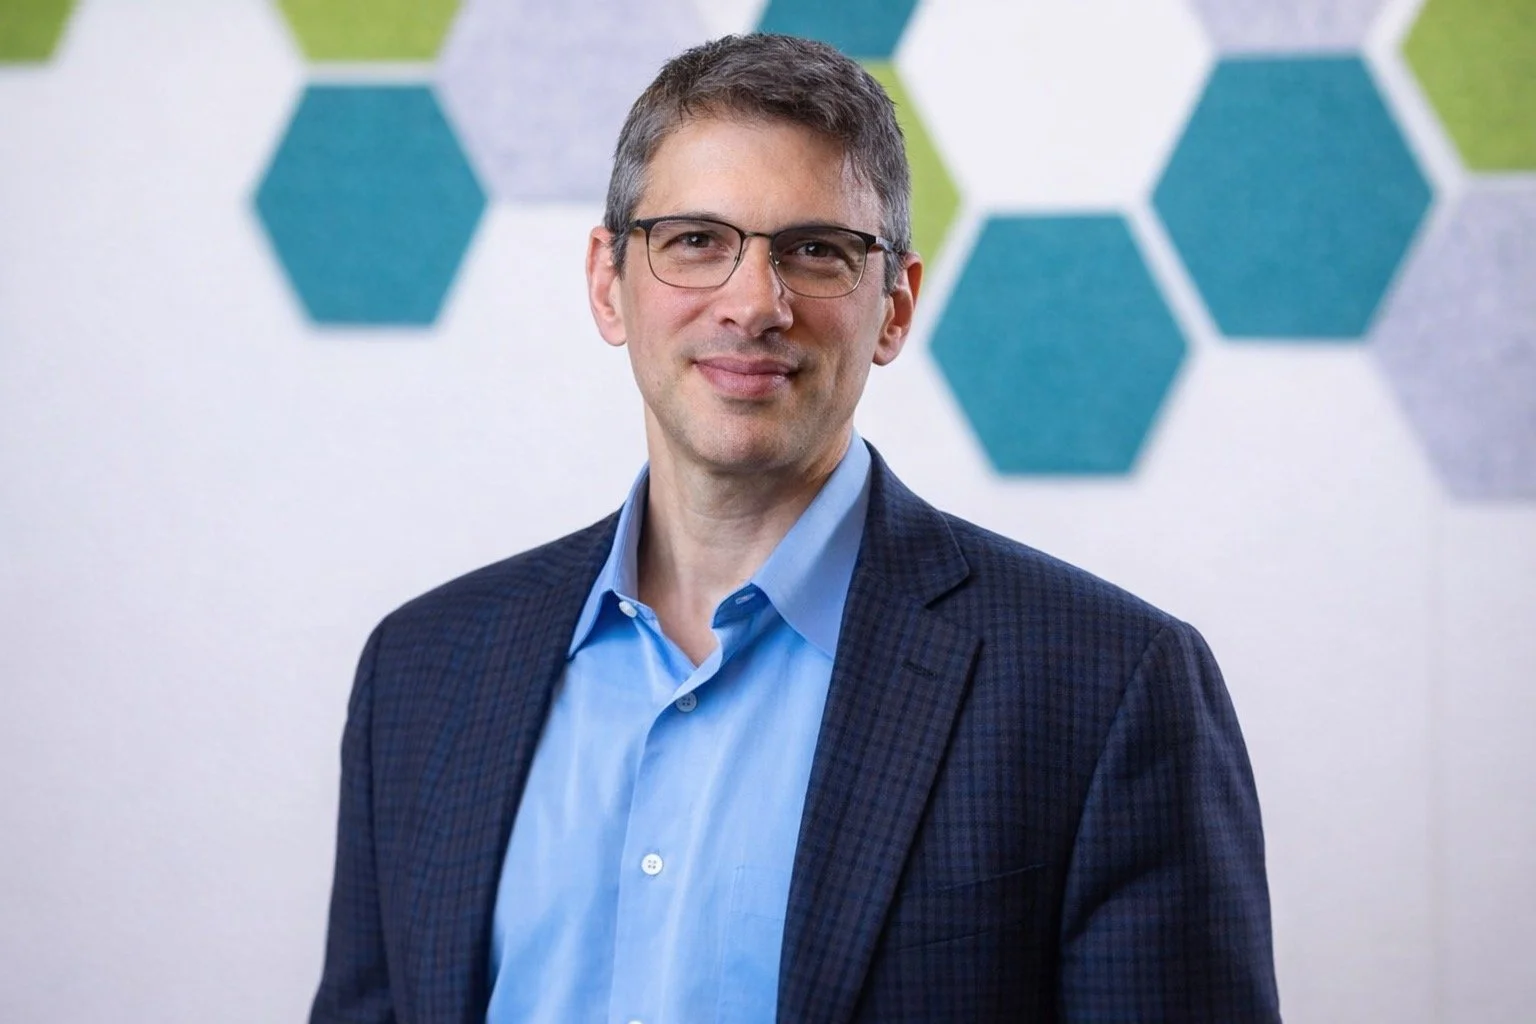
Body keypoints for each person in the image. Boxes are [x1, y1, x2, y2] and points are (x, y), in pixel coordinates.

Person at [310, 33, 1280, 1024]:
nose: (753, 304)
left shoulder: (1106, 686)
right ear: (609, 281)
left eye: (816, 251)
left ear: (895, 306)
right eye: (696, 240)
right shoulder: (421, 673)